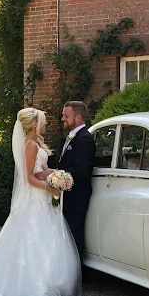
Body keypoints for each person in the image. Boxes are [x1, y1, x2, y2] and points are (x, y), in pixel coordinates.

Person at [0, 108, 82, 296]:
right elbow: (28, 177)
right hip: (35, 198)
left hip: (41, 197)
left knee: (44, 238)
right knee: (34, 237)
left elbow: (39, 172)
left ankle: (49, 283)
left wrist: (53, 175)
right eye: (42, 121)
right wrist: (50, 187)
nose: (45, 124)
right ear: (33, 124)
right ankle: (32, 287)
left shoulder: (35, 142)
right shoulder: (30, 145)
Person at [37, 101, 96, 263]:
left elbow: (80, 170)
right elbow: (66, 164)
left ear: (77, 118)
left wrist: (54, 174)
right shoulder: (72, 137)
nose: (62, 119)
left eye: (66, 116)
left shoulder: (84, 139)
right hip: (67, 196)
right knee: (67, 237)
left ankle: (78, 277)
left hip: (77, 197)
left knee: (75, 237)